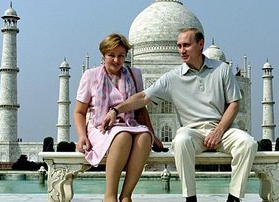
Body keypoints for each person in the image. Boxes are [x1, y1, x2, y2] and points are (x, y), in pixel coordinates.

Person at [103, 28, 258, 202]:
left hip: (223, 129)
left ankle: (234, 197)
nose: (182, 50)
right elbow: (143, 97)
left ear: (200, 44)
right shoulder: (173, 78)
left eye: (186, 45)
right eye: (178, 46)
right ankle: (190, 198)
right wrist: (116, 110)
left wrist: (219, 130)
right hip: (193, 131)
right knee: (181, 141)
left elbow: (234, 104)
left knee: (248, 143)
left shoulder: (221, 69)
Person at [74, 33, 163, 202]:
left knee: (145, 137)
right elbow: (79, 111)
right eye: (111, 55)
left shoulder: (134, 74)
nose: (116, 60)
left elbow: (141, 108)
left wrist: (153, 134)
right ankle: (109, 196)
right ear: (103, 55)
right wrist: (82, 136)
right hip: (100, 128)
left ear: (126, 56)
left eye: (121, 56)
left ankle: (126, 195)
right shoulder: (91, 76)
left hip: (129, 124)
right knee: (122, 136)